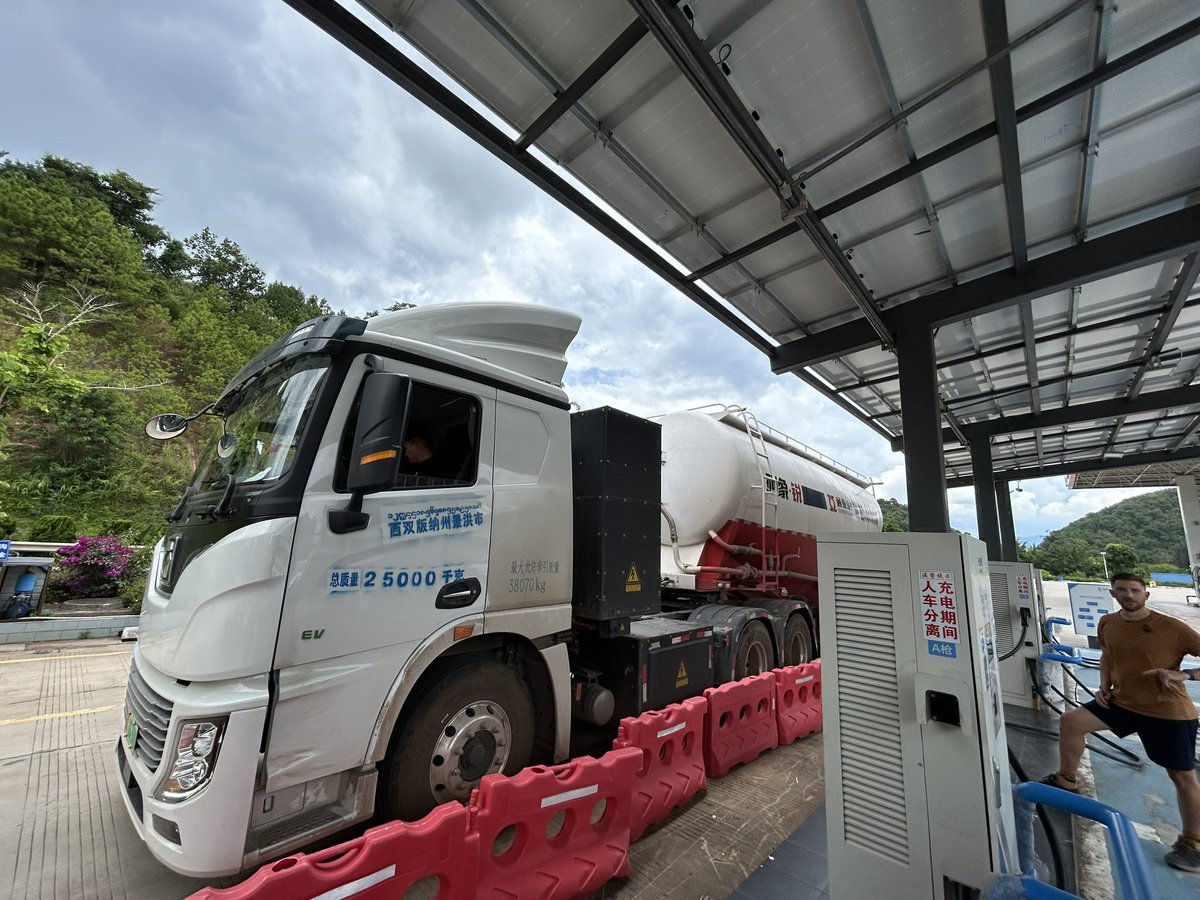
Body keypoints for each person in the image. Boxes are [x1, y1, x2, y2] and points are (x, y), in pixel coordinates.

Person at [1042, 572, 1200, 873]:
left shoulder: (1172, 628)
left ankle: (1193, 843)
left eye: (1135, 590)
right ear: (1113, 593)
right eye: (1122, 590)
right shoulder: (1108, 623)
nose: (1129, 595)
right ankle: (1066, 779)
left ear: (1145, 594)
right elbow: (1107, 655)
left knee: (1182, 777)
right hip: (1121, 702)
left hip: (1166, 710)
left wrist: (1186, 675)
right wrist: (1103, 686)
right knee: (1071, 722)